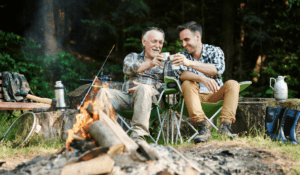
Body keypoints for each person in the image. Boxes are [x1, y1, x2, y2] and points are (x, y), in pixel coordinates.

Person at [95, 27, 174, 143]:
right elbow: (127, 69)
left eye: (160, 42)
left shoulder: (166, 62)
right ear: (144, 42)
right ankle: (104, 134)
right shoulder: (132, 57)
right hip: (127, 98)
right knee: (104, 92)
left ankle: (138, 137)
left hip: (154, 101)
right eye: (154, 41)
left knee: (143, 88)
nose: (158, 46)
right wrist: (150, 63)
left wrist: (150, 88)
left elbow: (171, 85)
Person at [171, 21, 240, 144]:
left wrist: (190, 63)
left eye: (186, 40)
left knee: (233, 84)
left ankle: (225, 127)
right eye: (182, 41)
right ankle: (202, 129)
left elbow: (217, 69)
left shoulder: (215, 51)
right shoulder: (180, 56)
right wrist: (202, 78)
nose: (183, 44)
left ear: (197, 37)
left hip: (215, 95)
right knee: (187, 82)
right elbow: (181, 74)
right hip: (192, 98)